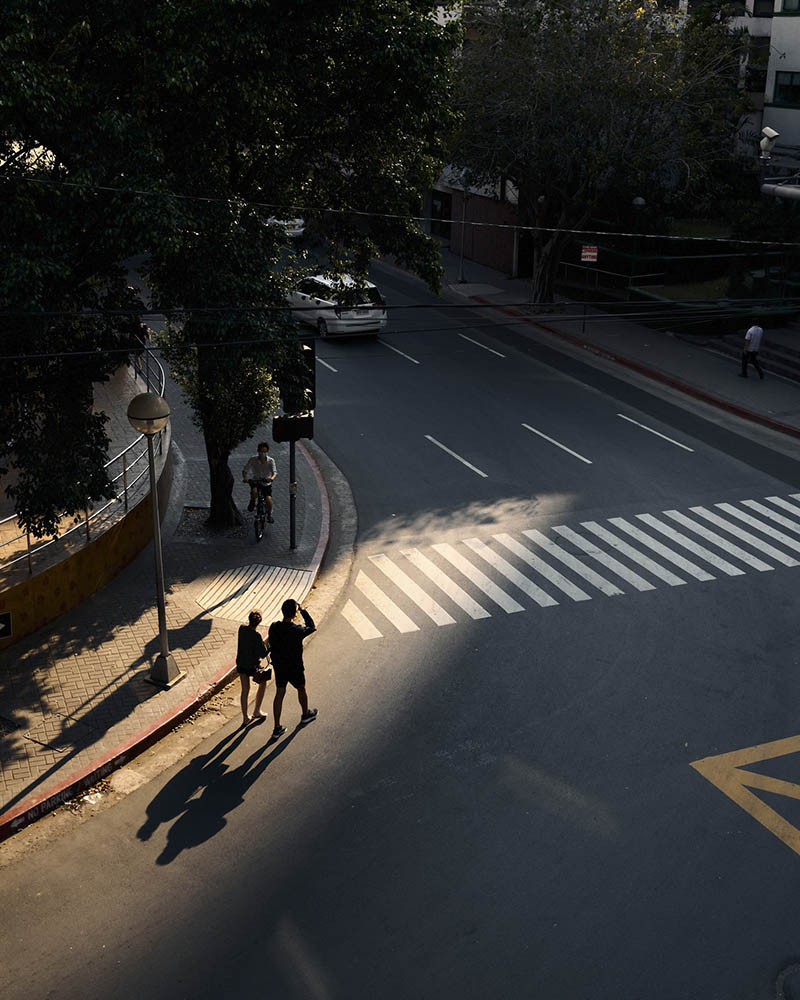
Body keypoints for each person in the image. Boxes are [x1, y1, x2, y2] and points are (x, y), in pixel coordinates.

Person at [268, 599, 318, 738]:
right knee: (301, 688)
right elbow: (312, 627)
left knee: (280, 693)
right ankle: (305, 714)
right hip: (294, 666)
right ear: (294, 614)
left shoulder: (274, 626)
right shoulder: (297, 630)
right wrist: (303, 611)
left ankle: (277, 727)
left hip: (279, 666)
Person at [236, 609, 271, 726]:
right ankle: (256, 710)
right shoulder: (257, 635)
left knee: (245, 690)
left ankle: (245, 717)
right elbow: (263, 653)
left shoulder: (241, 629)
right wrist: (267, 644)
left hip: (241, 664)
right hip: (252, 666)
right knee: (263, 683)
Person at [242, 442, 277, 522]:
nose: (263, 454)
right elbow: (245, 470)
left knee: (268, 499)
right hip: (256, 481)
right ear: (258, 451)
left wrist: (271, 478)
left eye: (265, 452)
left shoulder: (271, 461)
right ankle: (252, 502)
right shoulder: (253, 460)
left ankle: (269, 514)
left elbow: (274, 472)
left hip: (266, 483)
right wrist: (245, 478)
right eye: (261, 451)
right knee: (254, 492)